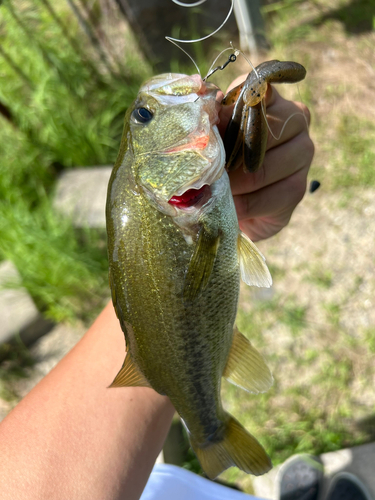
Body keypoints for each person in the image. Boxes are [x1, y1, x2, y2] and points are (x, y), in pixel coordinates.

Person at [0, 78, 317, 500]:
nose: (150, 110)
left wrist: (242, 220)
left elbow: (160, 300)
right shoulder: (180, 203)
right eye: (145, 117)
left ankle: (213, 445)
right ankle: (213, 436)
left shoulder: (187, 203)